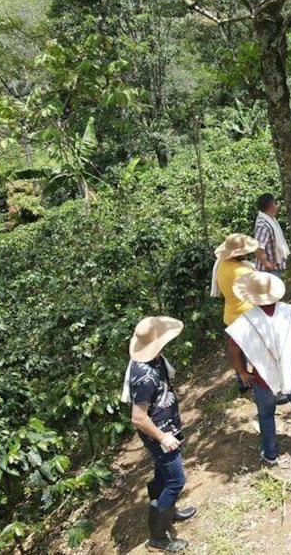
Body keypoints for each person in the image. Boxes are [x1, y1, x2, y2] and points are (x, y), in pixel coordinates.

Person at [226, 272, 291, 464]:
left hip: (262, 378)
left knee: (266, 413)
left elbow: (233, 350)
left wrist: (243, 372)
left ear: (251, 296)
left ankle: (270, 453)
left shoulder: (244, 322)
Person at [121, 316, 195, 553]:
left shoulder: (154, 359)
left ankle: (170, 512)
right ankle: (158, 537)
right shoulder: (145, 377)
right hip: (160, 434)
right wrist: (163, 437)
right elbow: (138, 417)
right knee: (176, 480)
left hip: (168, 426)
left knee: (163, 474)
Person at [212, 233, 258, 392]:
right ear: (239, 253)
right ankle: (262, 382)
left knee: (236, 349)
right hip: (246, 315)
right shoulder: (241, 271)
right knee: (255, 352)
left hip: (230, 313)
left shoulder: (222, 265)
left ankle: (242, 381)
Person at [253, 193, 290, 277]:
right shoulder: (263, 225)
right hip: (268, 271)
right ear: (272, 205)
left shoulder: (269, 218)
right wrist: (267, 264)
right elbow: (257, 247)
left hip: (273, 268)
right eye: (275, 203)